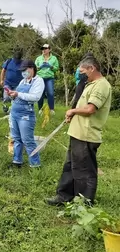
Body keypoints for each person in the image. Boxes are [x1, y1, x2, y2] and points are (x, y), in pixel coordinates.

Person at [46, 56, 112, 206]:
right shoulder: (90, 84)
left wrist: (73, 111)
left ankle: (84, 204)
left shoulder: (101, 85)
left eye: (83, 71)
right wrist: (74, 114)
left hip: (87, 135)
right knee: (70, 167)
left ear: (92, 68)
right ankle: (64, 196)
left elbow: (90, 109)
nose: (81, 74)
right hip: (77, 133)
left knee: (84, 170)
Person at [7, 60, 45, 168]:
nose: (23, 72)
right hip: (14, 113)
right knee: (16, 139)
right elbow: (18, 95)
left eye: (25, 70)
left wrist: (18, 93)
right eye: (22, 71)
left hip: (25, 115)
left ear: (32, 68)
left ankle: (35, 164)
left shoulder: (38, 81)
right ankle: (17, 161)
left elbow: (35, 97)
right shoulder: (23, 81)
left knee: (28, 141)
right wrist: (12, 95)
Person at [35, 44, 59, 115]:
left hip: (49, 78)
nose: (44, 50)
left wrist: (51, 66)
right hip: (40, 78)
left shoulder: (54, 58)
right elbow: (34, 68)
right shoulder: (38, 58)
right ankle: (40, 109)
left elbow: (56, 68)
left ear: (49, 49)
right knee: (40, 94)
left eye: (45, 48)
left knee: (50, 93)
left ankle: (51, 109)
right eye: (42, 49)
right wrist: (40, 67)